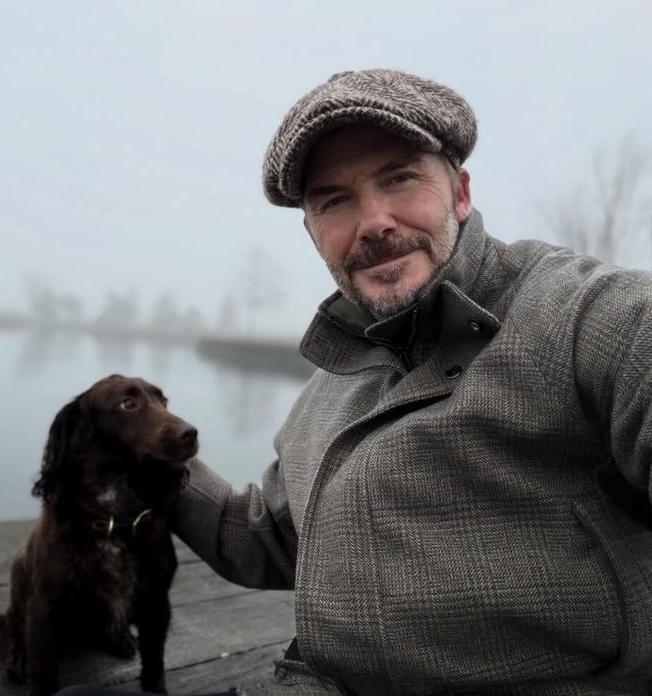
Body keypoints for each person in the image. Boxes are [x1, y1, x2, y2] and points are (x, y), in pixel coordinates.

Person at [171, 69, 652, 695]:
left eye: (399, 178)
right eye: (334, 200)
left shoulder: (592, 316)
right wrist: (153, 460)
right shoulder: (333, 381)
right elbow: (270, 539)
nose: (373, 222)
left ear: (460, 192)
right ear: (314, 232)